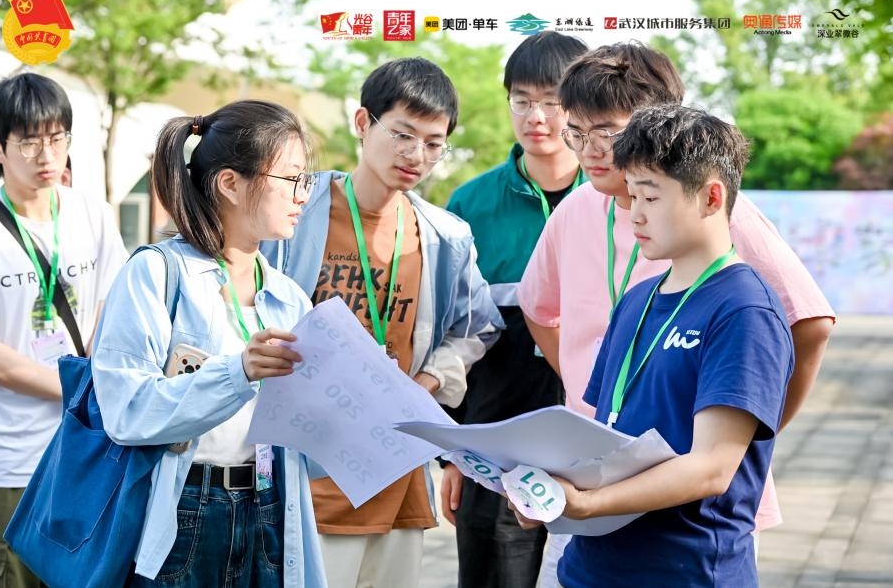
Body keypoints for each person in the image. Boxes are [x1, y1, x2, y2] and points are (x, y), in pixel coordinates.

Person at [517, 43, 836, 585]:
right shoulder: (604, 245)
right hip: (595, 508)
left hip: (686, 532)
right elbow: (540, 311)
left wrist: (746, 419)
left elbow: (807, 324)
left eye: (607, 132)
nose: (591, 150)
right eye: (578, 133)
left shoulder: (730, 249)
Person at [261, 57, 503, 588]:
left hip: (397, 468)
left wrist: (428, 382)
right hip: (308, 465)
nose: (417, 155)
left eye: (434, 144)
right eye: (403, 134)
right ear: (362, 122)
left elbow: (478, 325)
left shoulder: (443, 235)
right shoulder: (295, 209)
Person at [91, 100, 326, 586]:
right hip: (186, 509)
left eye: (305, 180)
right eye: (290, 179)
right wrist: (238, 371)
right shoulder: (156, 273)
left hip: (270, 506)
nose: (303, 195)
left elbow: (309, 449)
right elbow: (127, 410)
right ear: (229, 184)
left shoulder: (288, 296)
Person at [442, 31, 587, 588]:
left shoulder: (619, 197)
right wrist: (456, 453)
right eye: (521, 101)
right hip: (496, 442)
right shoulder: (469, 205)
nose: (536, 117)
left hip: (593, 437)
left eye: (552, 101)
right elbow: (455, 332)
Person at [0, 73, 126, 588]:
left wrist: (97, 391)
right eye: (29, 142)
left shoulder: (93, 214)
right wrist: (86, 389)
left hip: (85, 450)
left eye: (57, 138)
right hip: (8, 458)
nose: (47, 155)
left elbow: (111, 312)